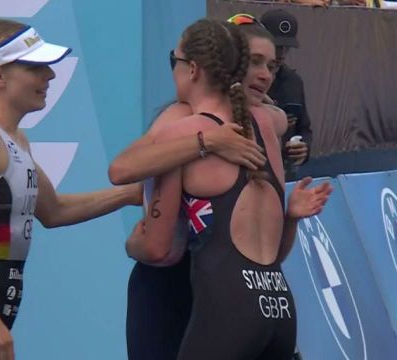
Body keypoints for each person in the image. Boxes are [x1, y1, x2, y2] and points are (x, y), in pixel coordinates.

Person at [0, 19, 141, 360]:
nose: (49, 77)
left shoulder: (14, 140)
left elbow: (54, 211)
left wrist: (131, 194)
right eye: (36, 67)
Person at [127, 18, 332, 359]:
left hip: (212, 303)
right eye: (254, 62)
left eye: (273, 65)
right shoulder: (268, 124)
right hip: (275, 306)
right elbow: (271, 253)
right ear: (231, 68)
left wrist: (133, 242)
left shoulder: (185, 123)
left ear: (194, 68)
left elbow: (122, 172)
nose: (266, 75)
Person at [260, 9, 312, 179]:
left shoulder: (294, 81)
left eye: (286, 47)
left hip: (284, 174)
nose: (281, 53)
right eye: (276, 46)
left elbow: (304, 128)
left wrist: (304, 148)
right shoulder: (246, 79)